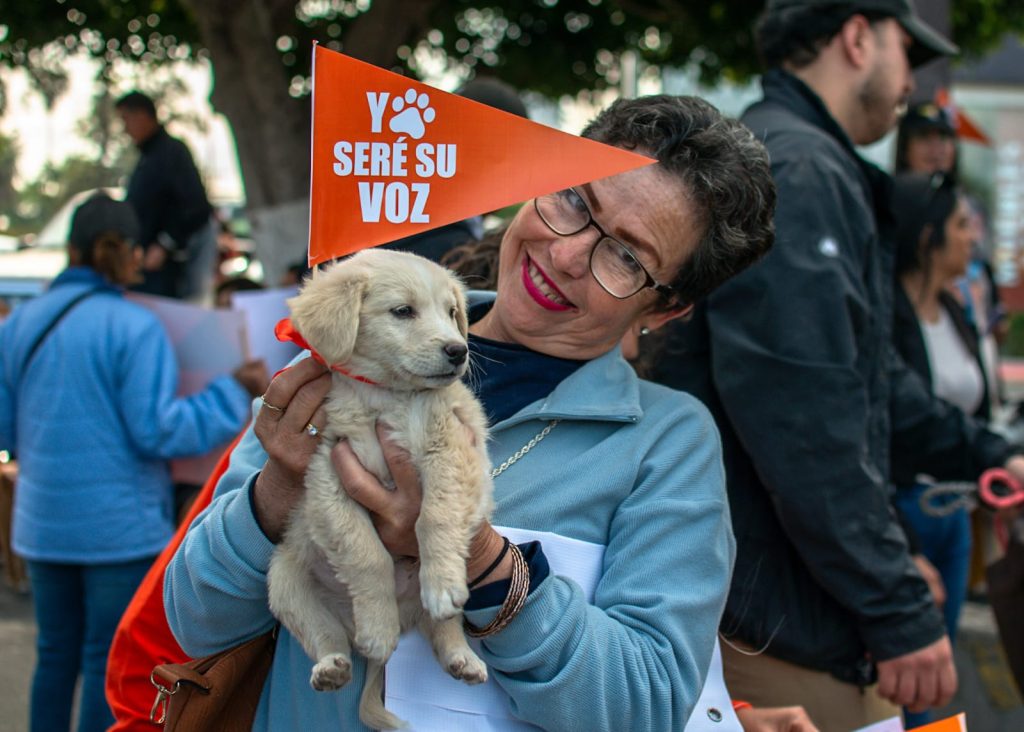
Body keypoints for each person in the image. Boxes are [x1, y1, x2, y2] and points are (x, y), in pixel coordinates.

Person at [164, 95, 778, 731]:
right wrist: (275, 492)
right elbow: (195, 619)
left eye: (627, 256)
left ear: (664, 310)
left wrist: (483, 561)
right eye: (573, 200)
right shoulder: (342, 356)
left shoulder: (666, 442)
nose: (566, 255)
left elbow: (645, 707)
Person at [650, 2, 1024, 730]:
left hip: (786, 601)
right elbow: (806, 423)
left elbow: (871, 387)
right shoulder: (801, 169)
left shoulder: (800, 161)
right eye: (905, 55)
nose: (910, 82)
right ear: (858, 36)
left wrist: (994, 454)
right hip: (780, 621)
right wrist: (897, 605)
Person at [0, 193, 269, 732]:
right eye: (137, 250)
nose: (142, 261)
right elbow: (160, 430)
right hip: (115, 530)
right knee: (106, 660)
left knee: (54, 654)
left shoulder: (20, 321)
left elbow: (7, 428)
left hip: (41, 525)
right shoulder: (134, 326)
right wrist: (230, 393)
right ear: (116, 250)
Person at [888, 173, 989, 727]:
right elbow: (906, 416)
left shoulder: (955, 312)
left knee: (938, 670)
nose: (972, 237)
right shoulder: (888, 317)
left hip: (956, 511)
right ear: (927, 237)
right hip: (902, 510)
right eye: (960, 225)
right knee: (905, 673)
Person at [116, 90, 218, 303]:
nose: (125, 129)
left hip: (170, 272)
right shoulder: (149, 156)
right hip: (147, 269)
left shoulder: (171, 152)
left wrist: (165, 244)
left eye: (126, 120)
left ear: (142, 116)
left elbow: (196, 207)